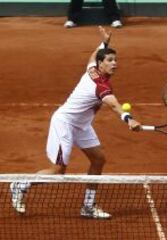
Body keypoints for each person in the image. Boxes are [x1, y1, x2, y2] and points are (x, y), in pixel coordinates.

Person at [10, 26, 140, 219]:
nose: (115, 64)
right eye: (110, 60)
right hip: (65, 123)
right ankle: (20, 185)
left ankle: (88, 206)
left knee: (98, 160)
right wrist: (128, 119)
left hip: (81, 125)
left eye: (115, 60)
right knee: (58, 171)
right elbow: (114, 105)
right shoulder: (100, 86)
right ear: (101, 64)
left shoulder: (93, 70)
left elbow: (91, 57)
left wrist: (105, 43)